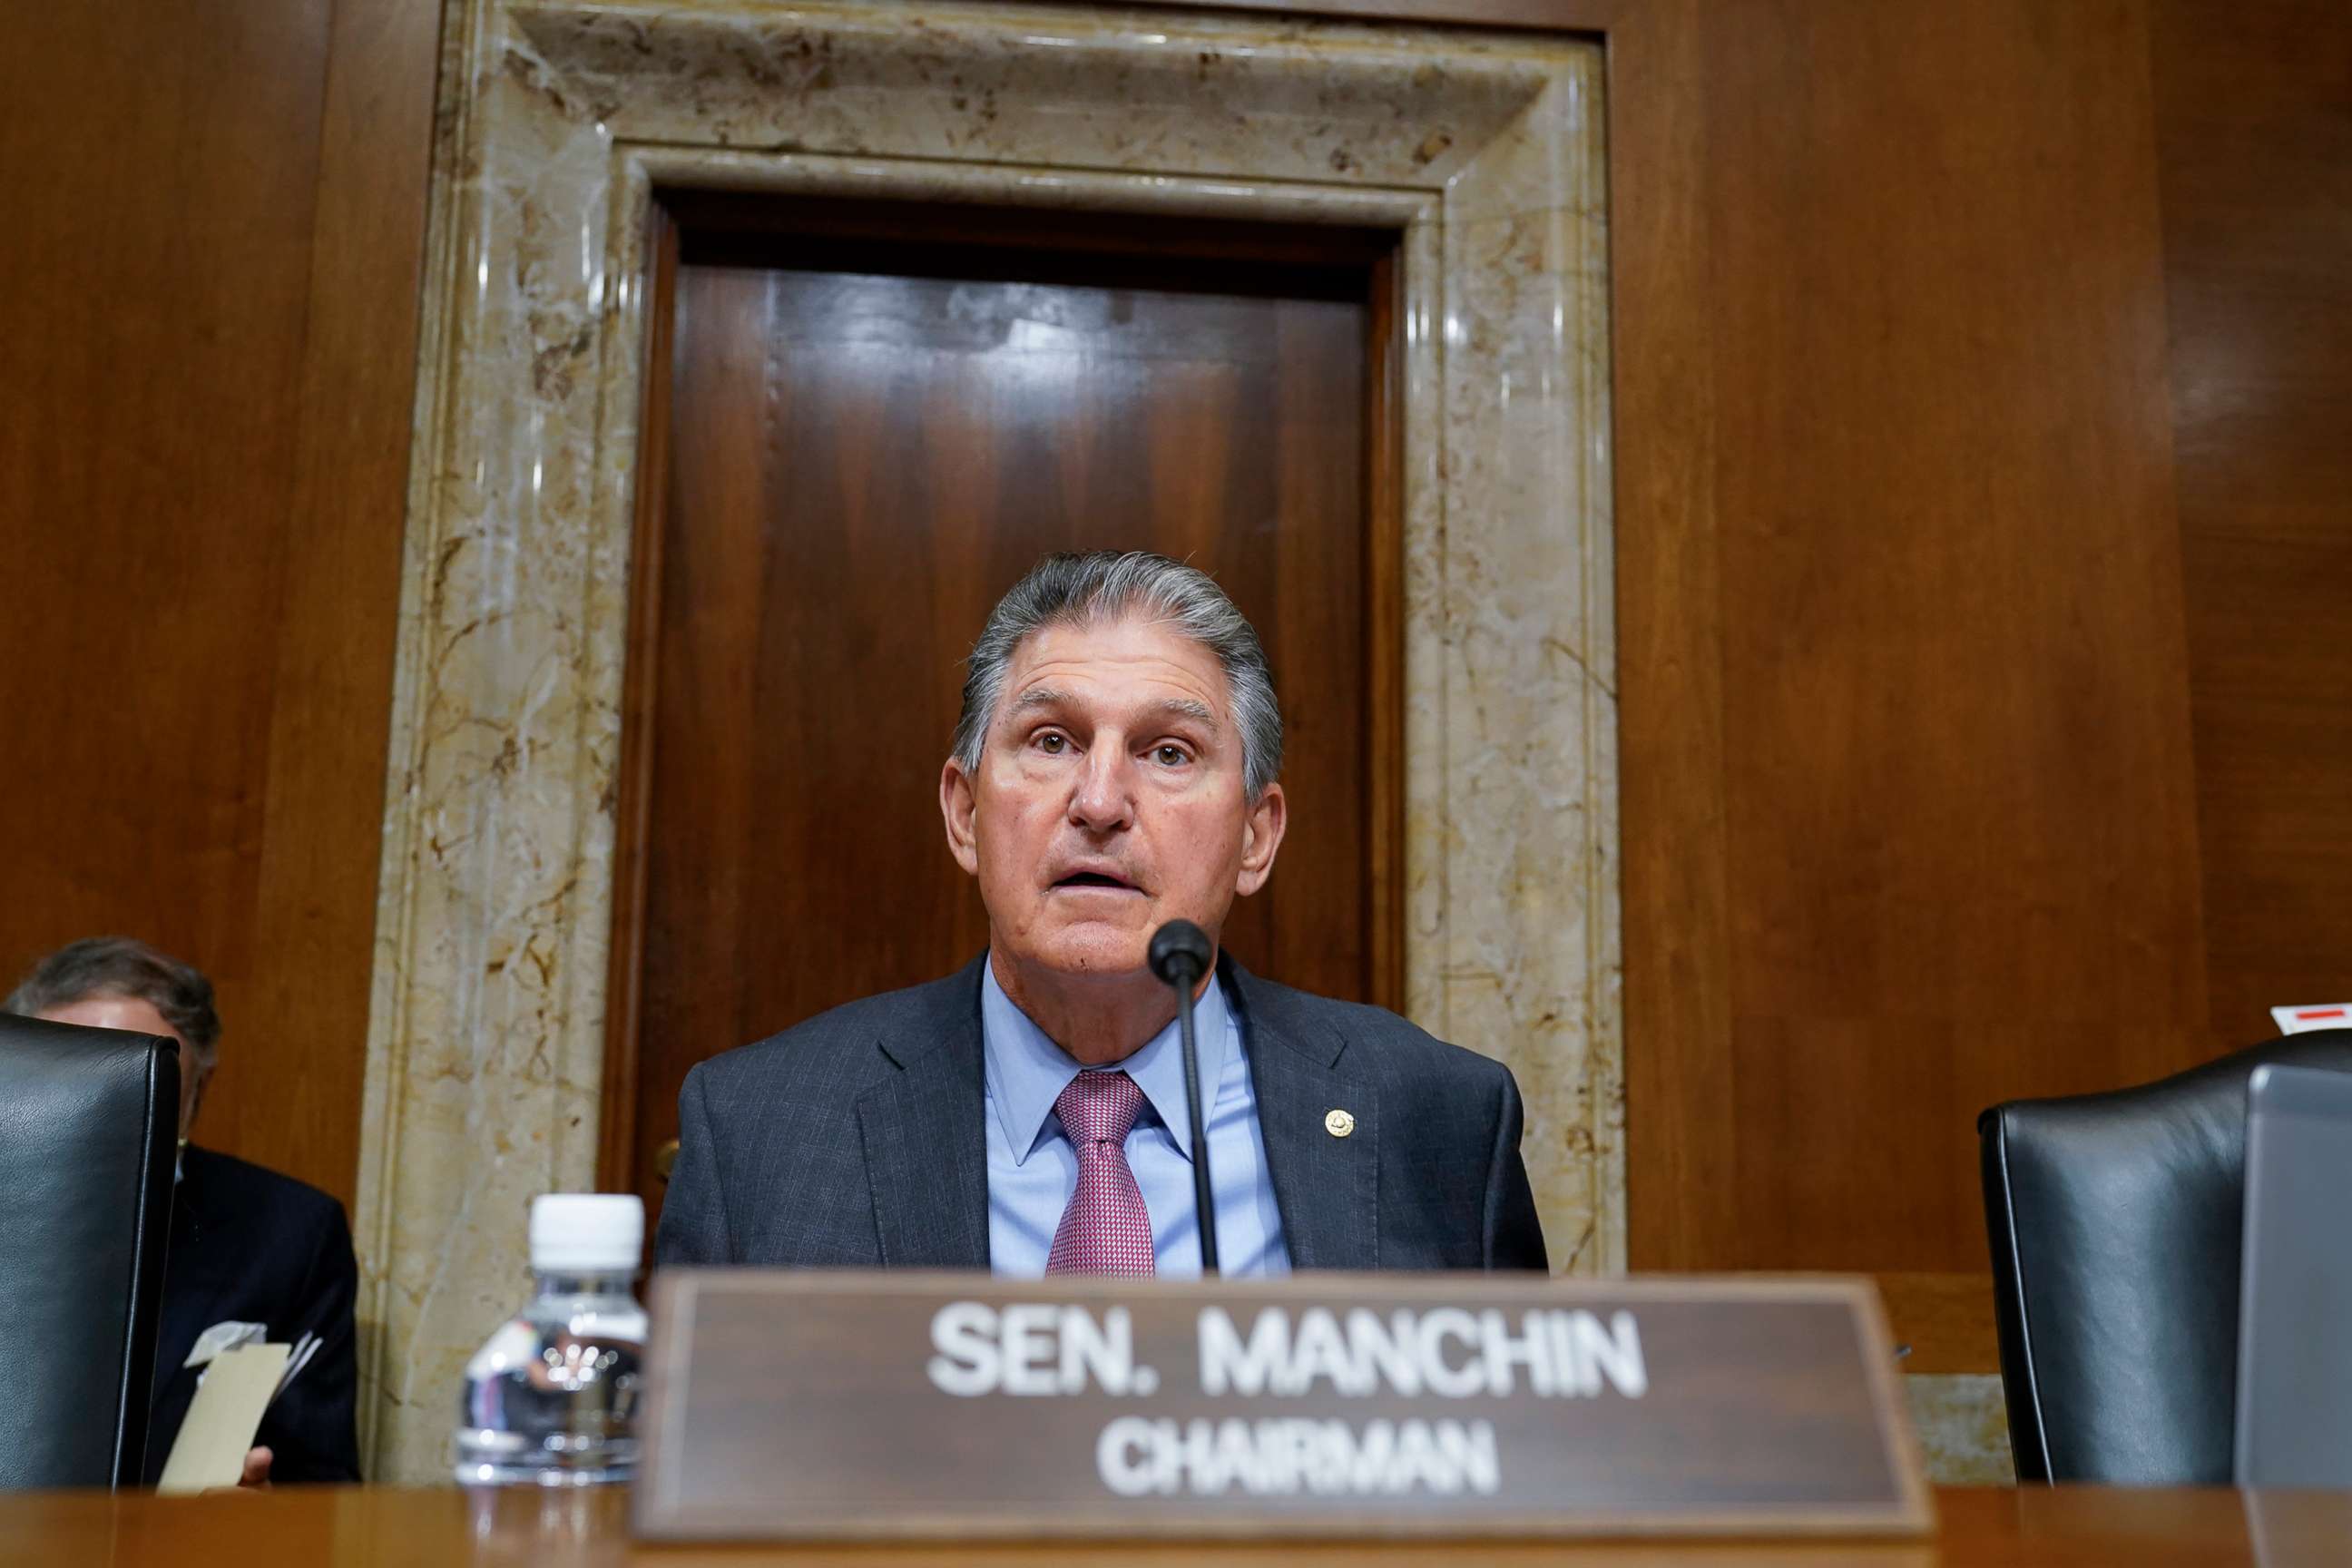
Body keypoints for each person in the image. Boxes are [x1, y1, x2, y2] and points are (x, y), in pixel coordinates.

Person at [658, 551, 1547, 1275]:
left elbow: (1517, 1481)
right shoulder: (757, 1130)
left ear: (1256, 837)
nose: (1099, 801)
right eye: (1052, 741)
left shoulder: (1439, 1122)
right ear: (965, 812)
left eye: (1168, 751)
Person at [5, 938, 361, 1484]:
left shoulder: (287, 1230)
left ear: (196, 1092)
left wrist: (262, 1509)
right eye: (82, 1092)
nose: (108, 1122)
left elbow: (321, 1482)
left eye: (139, 1092)